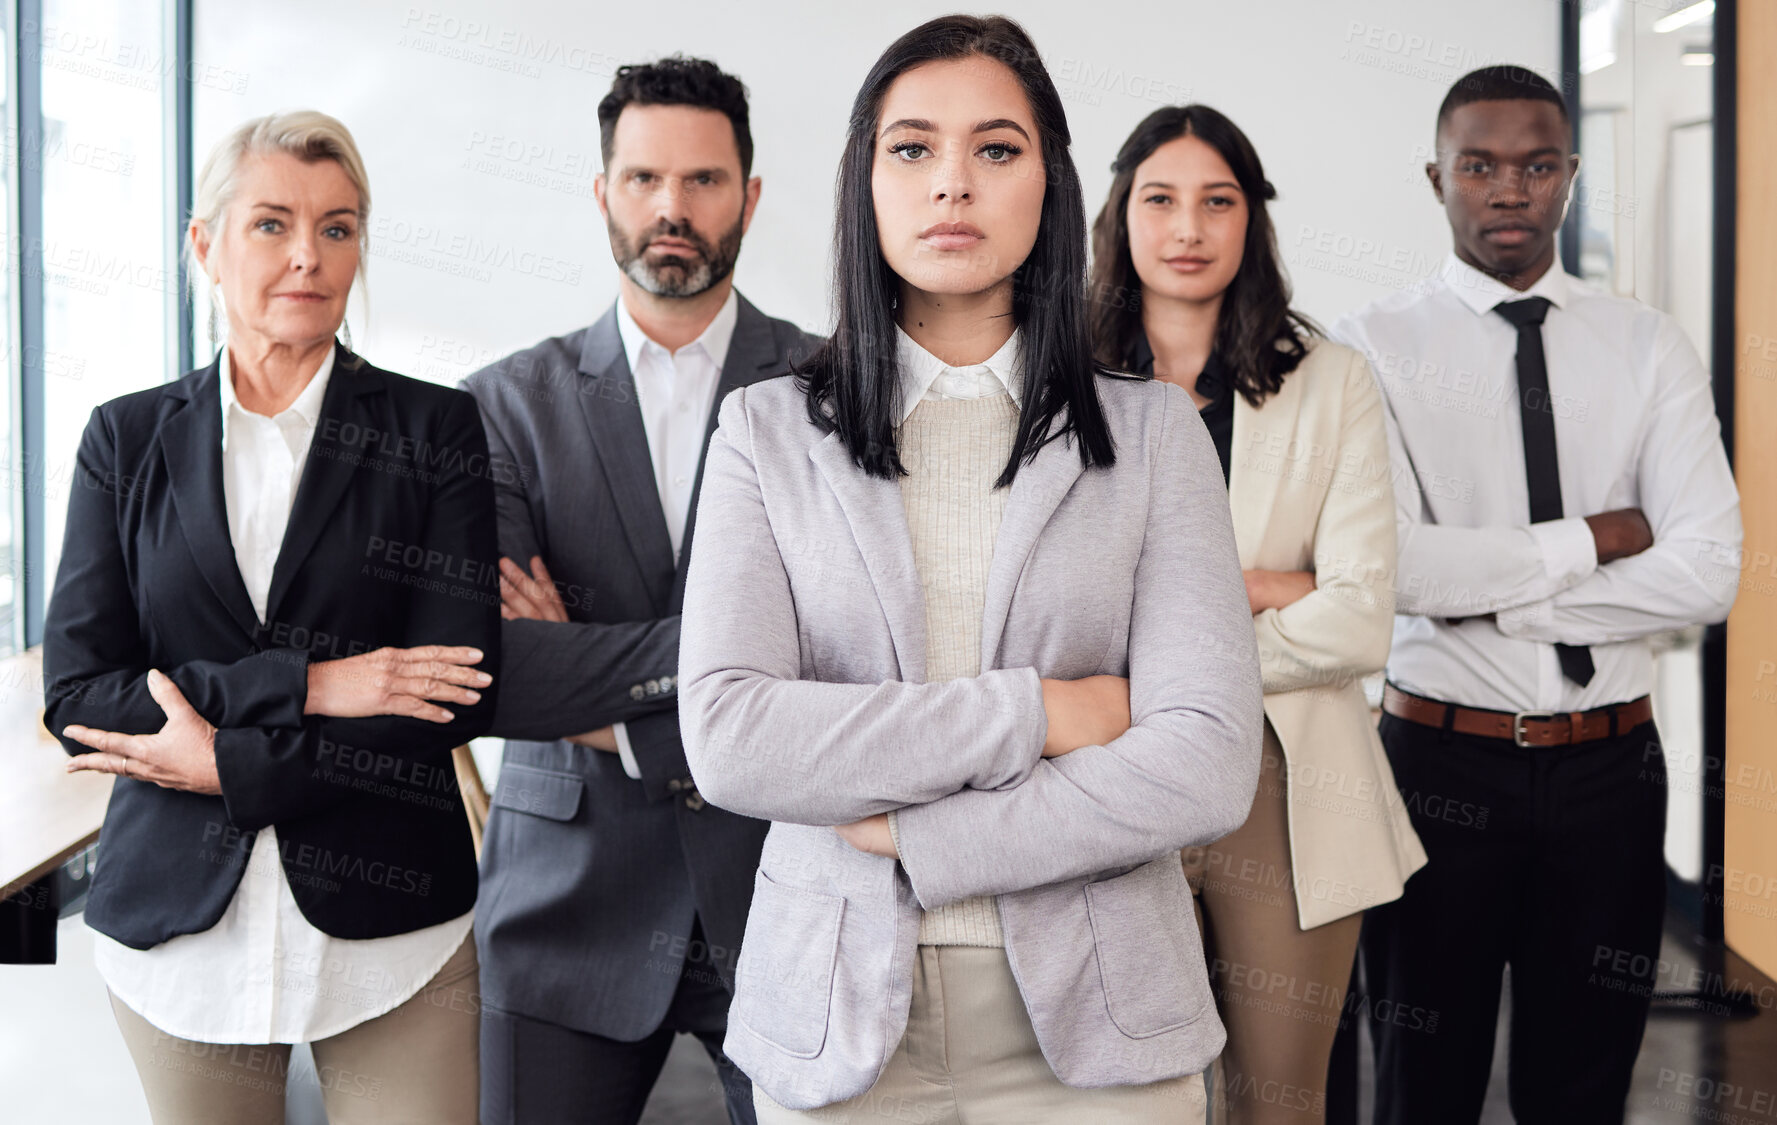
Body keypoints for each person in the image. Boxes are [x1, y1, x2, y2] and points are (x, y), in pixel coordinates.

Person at [679, 15, 1264, 1123]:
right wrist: (1038, 713)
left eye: (995, 150)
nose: (952, 183)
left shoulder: (1153, 437)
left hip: (1105, 1027)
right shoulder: (764, 432)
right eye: (912, 150)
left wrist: (919, 836)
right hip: (836, 1016)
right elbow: (731, 738)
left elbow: (1206, 763)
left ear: (1050, 183)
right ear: (865, 182)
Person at [42, 110, 501, 1124]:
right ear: (204, 244)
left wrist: (229, 762)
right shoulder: (122, 441)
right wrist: (311, 684)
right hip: (178, 932)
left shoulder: (437, 430)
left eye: (338, 228)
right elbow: (81, 697)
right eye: (272, 225)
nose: (308, 256)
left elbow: (455, 694)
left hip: (394, 931)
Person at [1333, 65, 1742, 1124]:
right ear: (1437, 178)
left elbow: (1707, 569)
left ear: (1568, 177)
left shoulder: (1646, 346)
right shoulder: (1369, 348)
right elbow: (1395, 574)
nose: (1507, 189)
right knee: (1422, 1085)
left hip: (1611, 774)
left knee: (1585, 1087)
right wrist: (1592, 544)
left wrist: (1499, 597)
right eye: (1479, 165)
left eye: (1535, 165)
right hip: (1435, 770)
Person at [463, 56, 820, 1125]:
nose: (673, 207)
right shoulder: (501, 406)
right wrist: (742, 665)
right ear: (603, 194)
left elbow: (850, 653)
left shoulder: (828, 393)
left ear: (749, 198)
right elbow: (498, 674)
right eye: (645, 179)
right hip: (562, 910)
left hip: (787, 894)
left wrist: (600, 680)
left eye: (705, 181)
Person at [1088, 104, 1426, 1124]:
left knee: (1277, 1099)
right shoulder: (1057, 377)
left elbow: (1362, 620)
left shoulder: (1332, 381)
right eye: (1160, 199)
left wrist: (1169, 625)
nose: (1187, 227)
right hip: (1110, 755)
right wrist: (1271, 588)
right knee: (1129, 1096)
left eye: (1216, 201)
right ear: (1120, 216)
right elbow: (1051, 606)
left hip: (1287, 771)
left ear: (1251, 220)